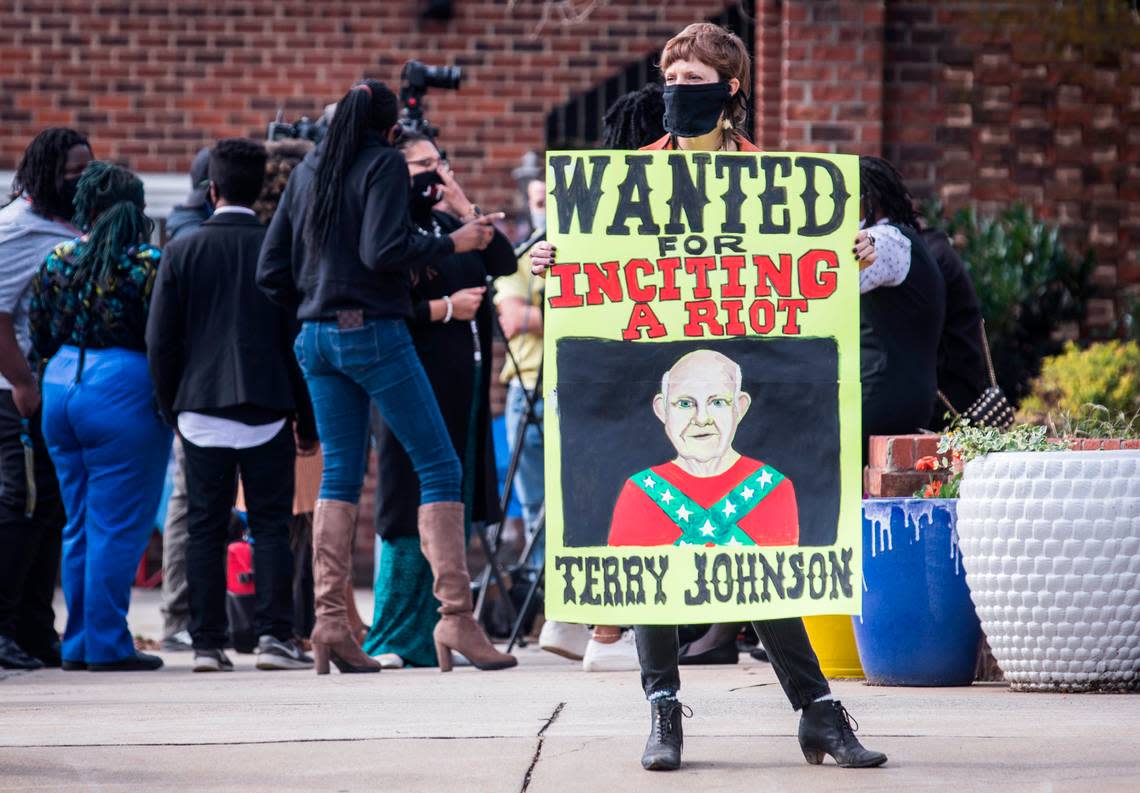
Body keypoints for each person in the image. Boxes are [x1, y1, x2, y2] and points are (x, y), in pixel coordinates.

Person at [529, 23, 887, 772]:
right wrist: (546, 256)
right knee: (653, 559)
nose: (675, 94)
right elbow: (583, 276)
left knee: (767, 560)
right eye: (670, 79)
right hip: (657, 373)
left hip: (742, 374)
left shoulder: (775, 181)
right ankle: (664, 709)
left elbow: (815, 280)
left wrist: (855, 251)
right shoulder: (626, 182)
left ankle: (817, 712)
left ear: (731, 90)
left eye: (692, 80)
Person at [257, 79, 516, 674]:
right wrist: (453, 240)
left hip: (316, 336)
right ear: (391, 127)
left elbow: (271, 271)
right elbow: (383, 250)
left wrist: (319, 297)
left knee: (342, 477)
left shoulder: (307, 172)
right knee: (441, 465)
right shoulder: (380, 167)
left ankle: (329, 625)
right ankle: (456, 618)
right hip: (373, 331)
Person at [147, 138, 318, 673]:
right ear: (263, 188)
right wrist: (306, 420)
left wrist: (169, 406)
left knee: (204, 526)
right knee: (268, 525)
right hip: (267, 405)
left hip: (198, 406)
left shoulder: (181, 250)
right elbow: (297, 339)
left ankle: (206, 643)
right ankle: (274, 637)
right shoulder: (277, 249)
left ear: (211, 189)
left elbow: (161, 341)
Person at [362, 131, 515, 669]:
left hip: (462, 382)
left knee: (454, 494)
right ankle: (398, 631)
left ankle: (446, 623)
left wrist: (459, 199)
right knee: (408, 495)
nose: (435, 170)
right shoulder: (390, 229)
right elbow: (379, 304)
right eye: (422, 164)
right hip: (410, 375)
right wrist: (446, 308)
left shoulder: (448, 225)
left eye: (439, 161)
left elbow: (503, 261)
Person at [29, 161, 172, 672]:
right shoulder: (148, 262)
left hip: (63, 382)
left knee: (79, 523)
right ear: (135, 208)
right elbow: (164, 339)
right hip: (123, 389)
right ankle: (107, 644)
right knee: (116, 527)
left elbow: (40, 331)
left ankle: (77, 643)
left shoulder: (58, 258)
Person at [0, 128, 90, 670]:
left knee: (48, 510)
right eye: (70, 172)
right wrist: (23, 384)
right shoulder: (15, 230)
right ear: (43, 173)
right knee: (20, 504)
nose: (79, 181)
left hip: (49, 392)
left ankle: (35, 631)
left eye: (87, 169)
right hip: (14, 394)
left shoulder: (62, 225)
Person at [608, 350, 799, 547]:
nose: (701, 419)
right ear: (662, 410)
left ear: (739, 408)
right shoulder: (639, 493)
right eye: (684, 403)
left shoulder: (774, 490)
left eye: (717, 402)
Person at [158, 146, 214, 654]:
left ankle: (178, 616)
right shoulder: (201, 238)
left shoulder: (177, 232)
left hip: (190, 392)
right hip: (209, 390)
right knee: (197, 507)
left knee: (187, 505)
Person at [854, 156, 946, 448]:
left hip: (880, 396)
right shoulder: (905, 239)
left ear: (868, 199)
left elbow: (863, 252)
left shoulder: (887, 239)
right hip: (902, 394)